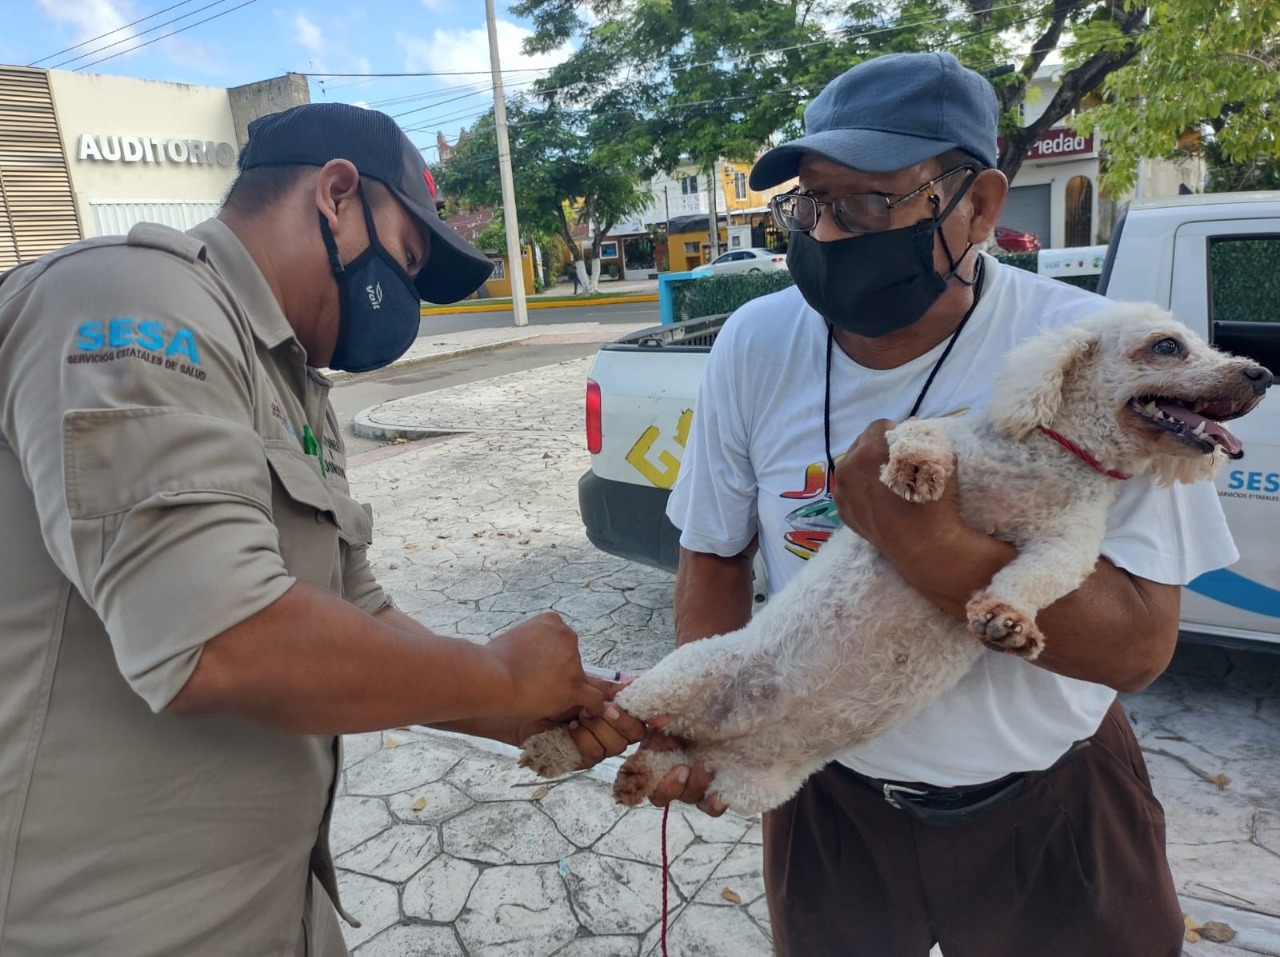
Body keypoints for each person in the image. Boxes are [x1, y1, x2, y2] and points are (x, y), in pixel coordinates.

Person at [0, 103, 644, 957]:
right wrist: (495, 675)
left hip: (272, 906)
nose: (402, 300)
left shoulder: (294, 383)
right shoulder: (130, 297)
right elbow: (218, 638)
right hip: (110, 924)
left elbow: (355, 605)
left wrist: (517, 713)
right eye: (405, 263)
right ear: (337, 195)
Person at [649, 52, 1237, 956]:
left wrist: (926, 544)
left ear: (983, 204)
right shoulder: (755, 343)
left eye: (872, 201)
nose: (832, 234)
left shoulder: (1095, 355)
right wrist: (707, 719)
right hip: (832, 802)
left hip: (1051, 804)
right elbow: (716, 552)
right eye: (813, 202)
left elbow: (1140, 647)